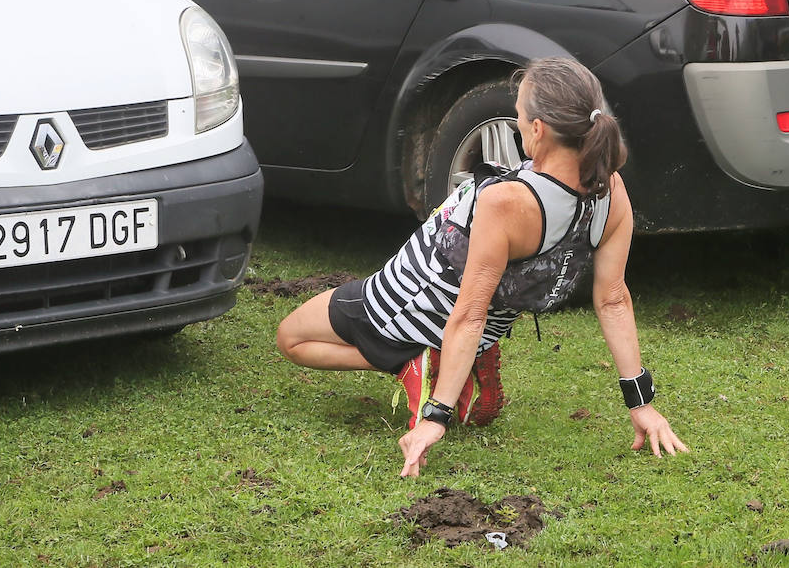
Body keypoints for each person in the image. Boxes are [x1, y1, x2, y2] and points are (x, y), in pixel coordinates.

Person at [276, 57, 688, 478]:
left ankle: (418, 361)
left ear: (538, 130)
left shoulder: (507, 202)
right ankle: (445, 359)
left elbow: (468, 312)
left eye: (520, 116)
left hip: (410, 299)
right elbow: (614, 300)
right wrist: (642, 403)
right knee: (430, 329)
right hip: (487, 326)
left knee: (291, 338)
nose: (518, 122)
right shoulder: (610, 189)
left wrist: (435, 417)